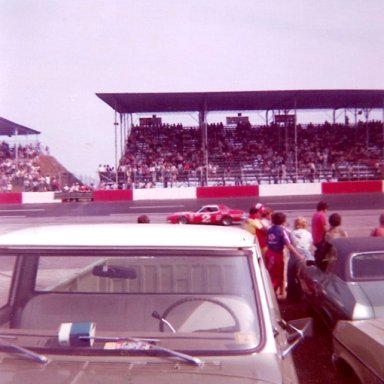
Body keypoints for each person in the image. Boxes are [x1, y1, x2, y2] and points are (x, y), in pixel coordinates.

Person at [265, 211, 304, 298]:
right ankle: (272, 296)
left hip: (269, 253)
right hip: (276, 255)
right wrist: (299, 255)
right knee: (276, 276)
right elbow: (288, 245)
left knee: (272, 275)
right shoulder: (282, 231)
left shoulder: (269, 230)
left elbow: (266, 241)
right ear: (283, 221)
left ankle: (274, 294)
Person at [286, 216, 314, 302]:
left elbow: (290, 245)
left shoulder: (292, 233)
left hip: (296, 255)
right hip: (307, 255)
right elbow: (310, 246)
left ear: (296, 224)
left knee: (290, 274)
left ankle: (291, 294)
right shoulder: (309, 234)